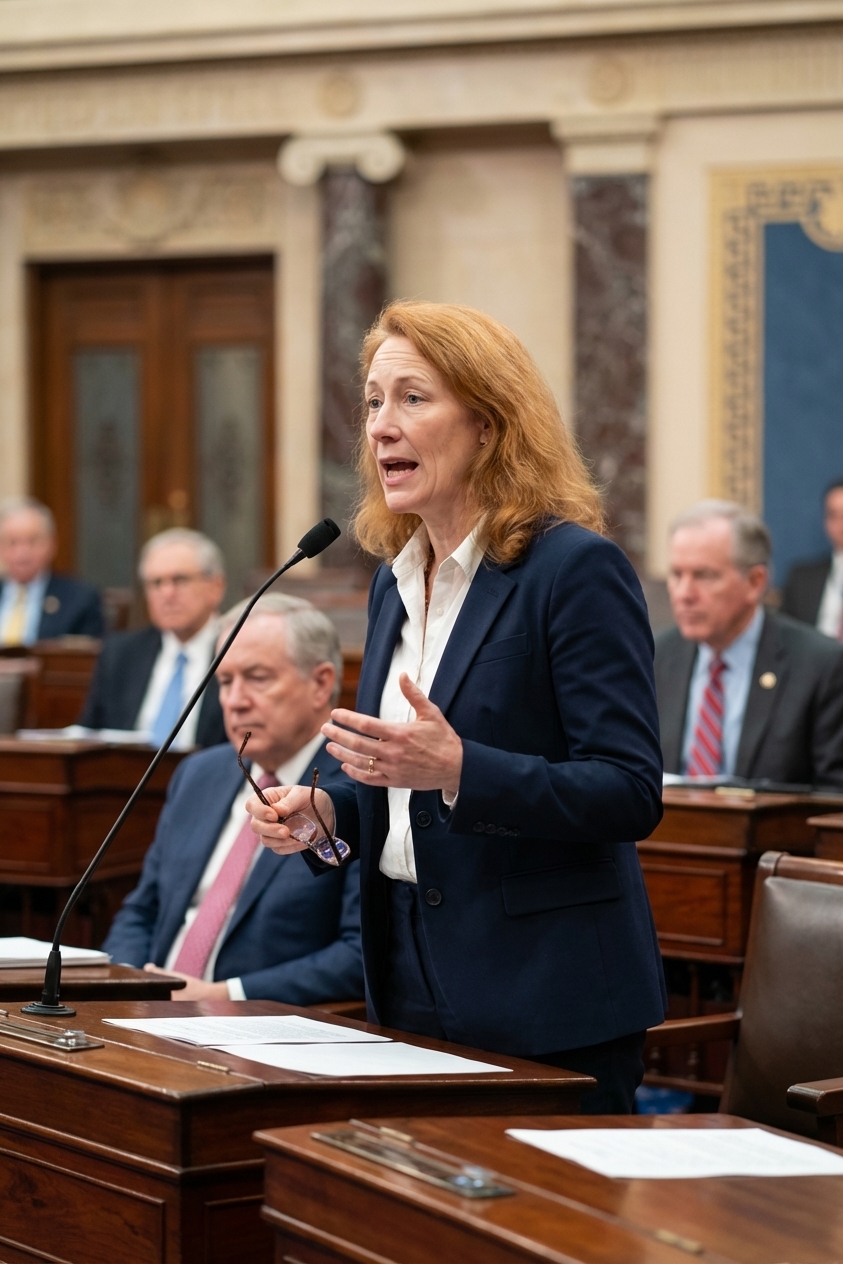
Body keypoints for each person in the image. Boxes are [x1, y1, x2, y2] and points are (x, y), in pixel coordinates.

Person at [245, 299, 666, 1114]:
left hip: (546, 996)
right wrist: (328, 811)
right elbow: (396, 791)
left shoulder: (571, 570)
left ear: (488, 422)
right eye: (372, 402)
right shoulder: (393, 582)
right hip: (405, 974)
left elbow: (626, 789)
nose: (380, 427)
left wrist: (463, 769)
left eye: (412, 397)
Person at [103, 594, 363, 1005]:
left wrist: (223, 997)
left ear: (321, 683)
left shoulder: (356, 788)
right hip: (148, 1016)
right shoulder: (199, 774)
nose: (235, 700)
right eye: (225, 681)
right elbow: (143, 910)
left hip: (266, 1034)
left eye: (257, 677)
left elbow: (358, 955)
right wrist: (128, 985)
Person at [656, 500, 843, 788]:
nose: (684, 594)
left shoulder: (821, 666)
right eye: (677, 574)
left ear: (755, 582)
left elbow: (833, 797)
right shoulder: (655, 657)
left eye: (704, 576)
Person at [79, 528, 227, 748]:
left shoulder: (238, 650)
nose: (167, 594)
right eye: (156, 583)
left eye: (180, 580)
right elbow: (89, 734)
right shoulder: (121, 654)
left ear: (215, 588)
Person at [0, 497, 104, 645]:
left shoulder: (80, 599)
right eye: (12, 542)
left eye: (33, 541)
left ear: (51, 545)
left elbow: (87, 661)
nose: (22, 553)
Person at [781, 478, 843, 636]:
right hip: (815, 657)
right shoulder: (801, 578)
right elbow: (783, 637)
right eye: (833, 515)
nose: (840, 524)